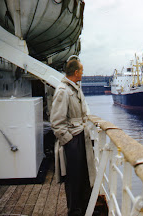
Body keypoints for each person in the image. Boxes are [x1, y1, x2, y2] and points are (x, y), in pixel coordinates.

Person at [50, 57, 96, 215]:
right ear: (76, 72)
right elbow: (56, 122)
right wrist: (69, 141)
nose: (83, 73)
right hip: (74, 140)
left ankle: (84, 209)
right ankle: (74, 211)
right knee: (73, 178)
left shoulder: (74, 88)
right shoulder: (63, 91)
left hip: (81, 137)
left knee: (84, 175)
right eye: (81, 71)